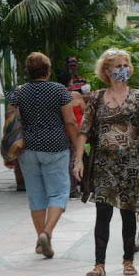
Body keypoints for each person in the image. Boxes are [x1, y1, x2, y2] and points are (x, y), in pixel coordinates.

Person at [73, 49, 139, 276]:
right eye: (118, 66)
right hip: (103, 165)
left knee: (128, 214)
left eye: (126, 65)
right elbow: (83, 131)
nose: (123, 70)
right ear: (107, 71)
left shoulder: (138, 96)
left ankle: (128, 260)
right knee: (103, 213)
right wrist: (78, 160)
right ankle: (99, 265)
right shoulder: (98, 98)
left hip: (131, 164)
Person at [4, 52, 79, 259]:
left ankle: (40, 242)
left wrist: (8, 150)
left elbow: (10, 121)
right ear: (48, 70)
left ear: (28, 71)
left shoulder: (18, 93)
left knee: (36, 196)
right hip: (55, 147)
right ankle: (47, 233)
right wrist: (78, 146)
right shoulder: (59, 90)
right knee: (59, 193)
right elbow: (70, 121)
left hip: (27, 148)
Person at [57, 70, 87, 198]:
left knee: (67, 159)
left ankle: (70, 186)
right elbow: (85, 112)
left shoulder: (56, 95)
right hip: (79, 132)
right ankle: (78, 186)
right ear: (70, 81)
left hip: (63, 132)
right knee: (80, 157)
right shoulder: (76, 95)